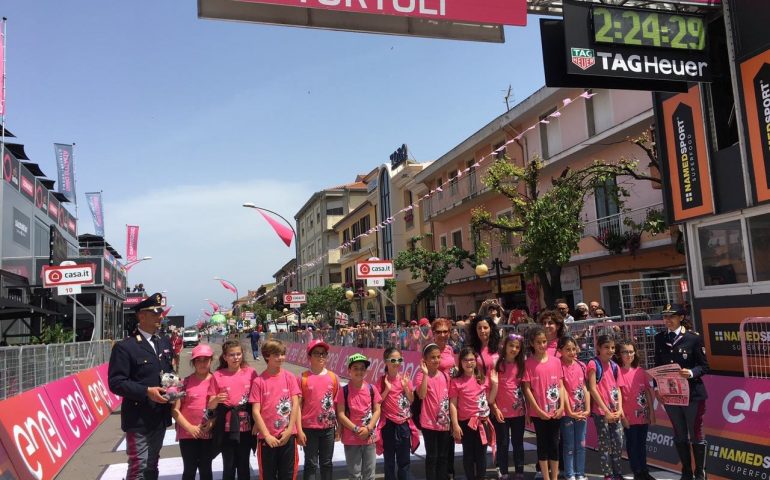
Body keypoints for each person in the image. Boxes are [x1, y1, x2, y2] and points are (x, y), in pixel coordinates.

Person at [108, 293, 174, 480]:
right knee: (139, 464)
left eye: (160, 312)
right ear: (141, 316)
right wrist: (146, 392)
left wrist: (175, 388)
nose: (160, 316)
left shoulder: (163, 342)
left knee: (153, 462)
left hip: (159, 415)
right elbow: (116, 383)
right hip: (138, 418)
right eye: (155, 313)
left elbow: (168, 374)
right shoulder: (125, 347)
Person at [653, 304, 709, 480]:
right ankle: (686, 472)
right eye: (665, 317)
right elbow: (657, 366)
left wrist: (691, 372)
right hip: (671, 395)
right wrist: (656, 387)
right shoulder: (659, 338)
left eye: (672, 316)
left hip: (692, 394)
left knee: (696, 434)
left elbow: (705, 366)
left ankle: (700, 472)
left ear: (681, 318)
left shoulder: (693, 338)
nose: (668, 320)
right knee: (679, 433)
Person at [251, 339, 302, 480]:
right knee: (268, 476)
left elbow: (295, 404)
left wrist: (290, 429)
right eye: (276, 354)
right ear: (267, 356)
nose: (281, 358)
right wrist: (267, 435)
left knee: (288, 475)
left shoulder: (290, 377)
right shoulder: (259, 381)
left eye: (282, 354)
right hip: (267, 439)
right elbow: (256, 411)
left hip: (288, 437)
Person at [208, 340, 258, 480]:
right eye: (231, 355)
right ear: (225, 357)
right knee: (228, 467)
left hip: (246, 428)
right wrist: (216, 399)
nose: (236, 357)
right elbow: (210, 405)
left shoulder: (251, 373)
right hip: (226, 428)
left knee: (243, 467)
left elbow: (258, 400)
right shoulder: (218, 375)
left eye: (238, 354)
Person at [522, 326, 565, 480]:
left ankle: (555, 476)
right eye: (538, 342)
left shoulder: (556, 361)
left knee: (554, 444)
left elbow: (561, 386)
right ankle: (546, 477)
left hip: (555, 412)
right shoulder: (528, 364)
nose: (542, 345)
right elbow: (527, 390)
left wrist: (561, 407)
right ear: (532, 344)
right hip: (538, 413)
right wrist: (537, 411)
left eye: (544, 341)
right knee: (542, 445)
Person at [450, 346, 498, 480]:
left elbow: (490, 400)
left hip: (482, 422)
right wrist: (455, 425)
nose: (469, 362)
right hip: (466, 423)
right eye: (465, 360)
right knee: (468, 455)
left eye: (471, 359)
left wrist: (495, 385)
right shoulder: (456, 381)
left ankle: (481, 477)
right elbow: (452, 404)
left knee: (481, 455)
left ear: (476, 361)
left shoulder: (482, 378)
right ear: (461, 362)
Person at [172, 344, 216, 480]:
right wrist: (189, 428)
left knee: (206, 469)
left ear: (211, 361)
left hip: (207, 433)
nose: (202, 363)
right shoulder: (184, 383)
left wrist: (211, 423)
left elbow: (219, 408)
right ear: (193, 362)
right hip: (187, 434)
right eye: (198, 360)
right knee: (189, 469)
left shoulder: (217, 381)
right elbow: (175, 411)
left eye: (206, 360)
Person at [297, 339, 339, 480]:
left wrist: (338, 428)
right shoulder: (303, 378)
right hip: (309, 428)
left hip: (328, 428)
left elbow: (337, 404)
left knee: (327, 463)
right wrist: (299, 430)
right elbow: (297, 406)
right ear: (309, 356)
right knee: (310, 464)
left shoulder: (333, 377)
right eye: (317, 353)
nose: (321, 356)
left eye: (323, 353)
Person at [336, 353, 382, 480]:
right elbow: (340, 414)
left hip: (369, 437)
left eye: (362, 368)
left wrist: (369, 428)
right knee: (355, 475)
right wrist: (356, 429)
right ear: (349, 370)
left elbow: (377, 410)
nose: (359, 371)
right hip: (351, 438)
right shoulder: (343, 391)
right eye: (355, 368)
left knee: (370, 474)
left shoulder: (371, 388)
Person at [616, 340, 656, 480]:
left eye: (631, 351)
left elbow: (647, 392)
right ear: (619, 354)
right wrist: (623, 416)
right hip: (628, 417)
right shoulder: (618, 371)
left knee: (642, 444)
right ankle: (637, 471)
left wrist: (651, 412)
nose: (628, 354)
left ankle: (644, 470)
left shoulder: (640, 371)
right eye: (625, 352)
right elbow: (618, 396)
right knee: (632, 445)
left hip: (643, 416)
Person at [587, 335, 625, 480]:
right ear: (598, 348)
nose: (610, 350)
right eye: (606, 347)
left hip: (615, 411)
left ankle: (618, 473)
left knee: (618, 443)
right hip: (601, 412)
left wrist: (620, 409)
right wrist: (606, 411)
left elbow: (618, 388)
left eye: (613, 347)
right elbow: (592, 388)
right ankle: (607, 474)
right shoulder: (593, 363)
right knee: (605, 445)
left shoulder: (615, 366)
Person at [492, 333, 527, 479]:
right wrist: (495, 408)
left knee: (518, 442)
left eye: (517, 347)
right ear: (504, 346)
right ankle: (503, 470)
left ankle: (519, 469)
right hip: (501, 412)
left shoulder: (522, 364)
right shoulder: (497, 365)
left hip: (519, 412)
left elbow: (525, 389)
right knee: (503, 443)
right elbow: (491, 390)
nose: (514, 349)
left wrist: (529, 410)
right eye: (511, 346)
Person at [377, 347, 415, 480]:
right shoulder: (381, 381)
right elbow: (377, 402)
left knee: (404, 461)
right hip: (388, 424)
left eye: (399, 359)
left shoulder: (405, 379)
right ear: (386, 361)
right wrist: (387, 389)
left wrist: (405, 387)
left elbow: (411, 400)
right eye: (393, 360)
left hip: (403, 425)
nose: (397, 362)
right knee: (389, 461)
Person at [415, 343, 451, 480]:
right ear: (424, 359)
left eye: (438, 357)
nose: (436, 360)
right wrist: (425, 374)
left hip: (444, 423)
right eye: (432, 358)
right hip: (429, 423)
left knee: (443, 456)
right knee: (432, 456)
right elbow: (422, 395)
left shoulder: (444, 375)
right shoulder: (420, 376)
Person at [559, 336, 590, 480]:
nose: (571, 352)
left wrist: (588, 408)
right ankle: (570, 473)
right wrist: (570, 411)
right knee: (569, 444)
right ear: (560, 351)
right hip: (567, 413)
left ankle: (580, 473)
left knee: (581, 444)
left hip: (582, 411)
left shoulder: (581, 365)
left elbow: (585, 388)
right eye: (567, 349)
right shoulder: (558, 366)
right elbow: (561, 390)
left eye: (573, 349)